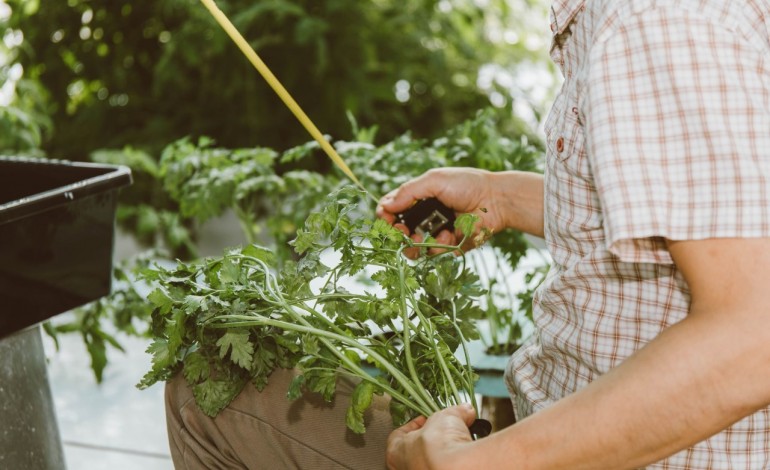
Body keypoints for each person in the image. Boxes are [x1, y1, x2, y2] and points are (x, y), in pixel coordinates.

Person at [165, 0, 770, 468]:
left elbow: (753, 340)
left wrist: (486, 462)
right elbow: (728, 215)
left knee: (206, 393)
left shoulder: (656, 22)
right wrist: (502, 197)